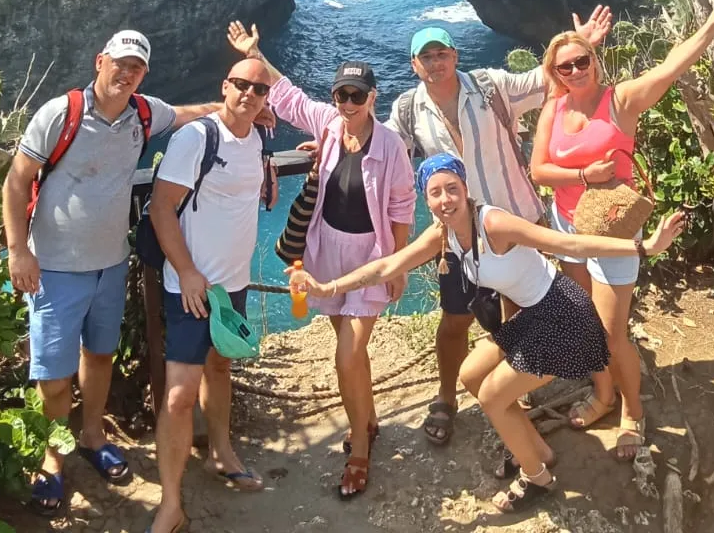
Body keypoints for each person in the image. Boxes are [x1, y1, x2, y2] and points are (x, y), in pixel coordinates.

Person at [290, 154, 684, 515]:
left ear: (465, 190)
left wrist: (643, 247)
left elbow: (568, 242)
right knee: (471, 375)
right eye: (435, 193)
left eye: (452, 189)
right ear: (427, 200)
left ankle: (536, 478)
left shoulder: (492, 223)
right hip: (533, 316)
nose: (445, 199)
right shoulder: (442, 234)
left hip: (563, 316)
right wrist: (328, 288)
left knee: (495, 395)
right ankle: (539, 450)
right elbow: (386, 266)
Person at [2, 30, 226, 515]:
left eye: (137, 68)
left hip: (110, 262)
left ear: (144, 75)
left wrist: (234, 108)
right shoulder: (59, 114)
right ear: (100, 60)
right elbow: (17, 181)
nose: (126, 74)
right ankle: (50, 457)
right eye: (120, 63)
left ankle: (92, 434)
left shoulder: (143, 114)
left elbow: (187, 113)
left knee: (99, 355)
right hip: (55, 269)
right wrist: (18, 250)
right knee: (54, 375)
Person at [386, 6, 613, 447]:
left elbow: (545, 80)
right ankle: (447, 397)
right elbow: (384, 145)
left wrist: (579, 43)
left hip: (511, 221)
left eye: (442, 54)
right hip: (460, 236)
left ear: (455, 55)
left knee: (522, 305)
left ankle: (520, 386)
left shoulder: (490, 86)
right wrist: (336, 138)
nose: (435, 63)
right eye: (425, 57)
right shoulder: (409, 108)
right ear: (415, 65)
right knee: (454, 320)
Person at [531, 0, 714, 460]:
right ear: (555, 74)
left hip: (613, 232)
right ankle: (603, 395)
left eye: (581, 62)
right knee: (584, 321)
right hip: (568, 225)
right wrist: (585, 175)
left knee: (611, 332)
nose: (575, 72)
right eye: (564, 67)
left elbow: (669, 67)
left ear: (594, 60)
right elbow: (538, 171)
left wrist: (710, 25)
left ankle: (632, 411)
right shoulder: (554, 109)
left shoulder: (620, 101)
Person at [227, 20, 415, 501]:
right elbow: (287, 97)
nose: (348, 103)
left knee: (348, 354)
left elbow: (400, 210)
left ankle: (358, 454)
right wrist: (256, 52)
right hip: (326, 252)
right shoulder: (330, 127)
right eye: (341, 95)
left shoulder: (392, 146)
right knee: (351, 354)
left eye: (357, 95)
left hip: (369, 259)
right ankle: (366, 419)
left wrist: (398, 265)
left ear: (373, 97)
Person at [144, 58, 274, 533]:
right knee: (179, 396)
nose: (249, 94)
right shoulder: (196, 138)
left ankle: (222, 452)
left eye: (258, 89)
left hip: (232, 285)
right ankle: (171, 504)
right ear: (225, 86)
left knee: (221, 365)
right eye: (240, 85)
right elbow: (161, 207)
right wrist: (187, 271)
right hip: (191, 288)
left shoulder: (258, 136)